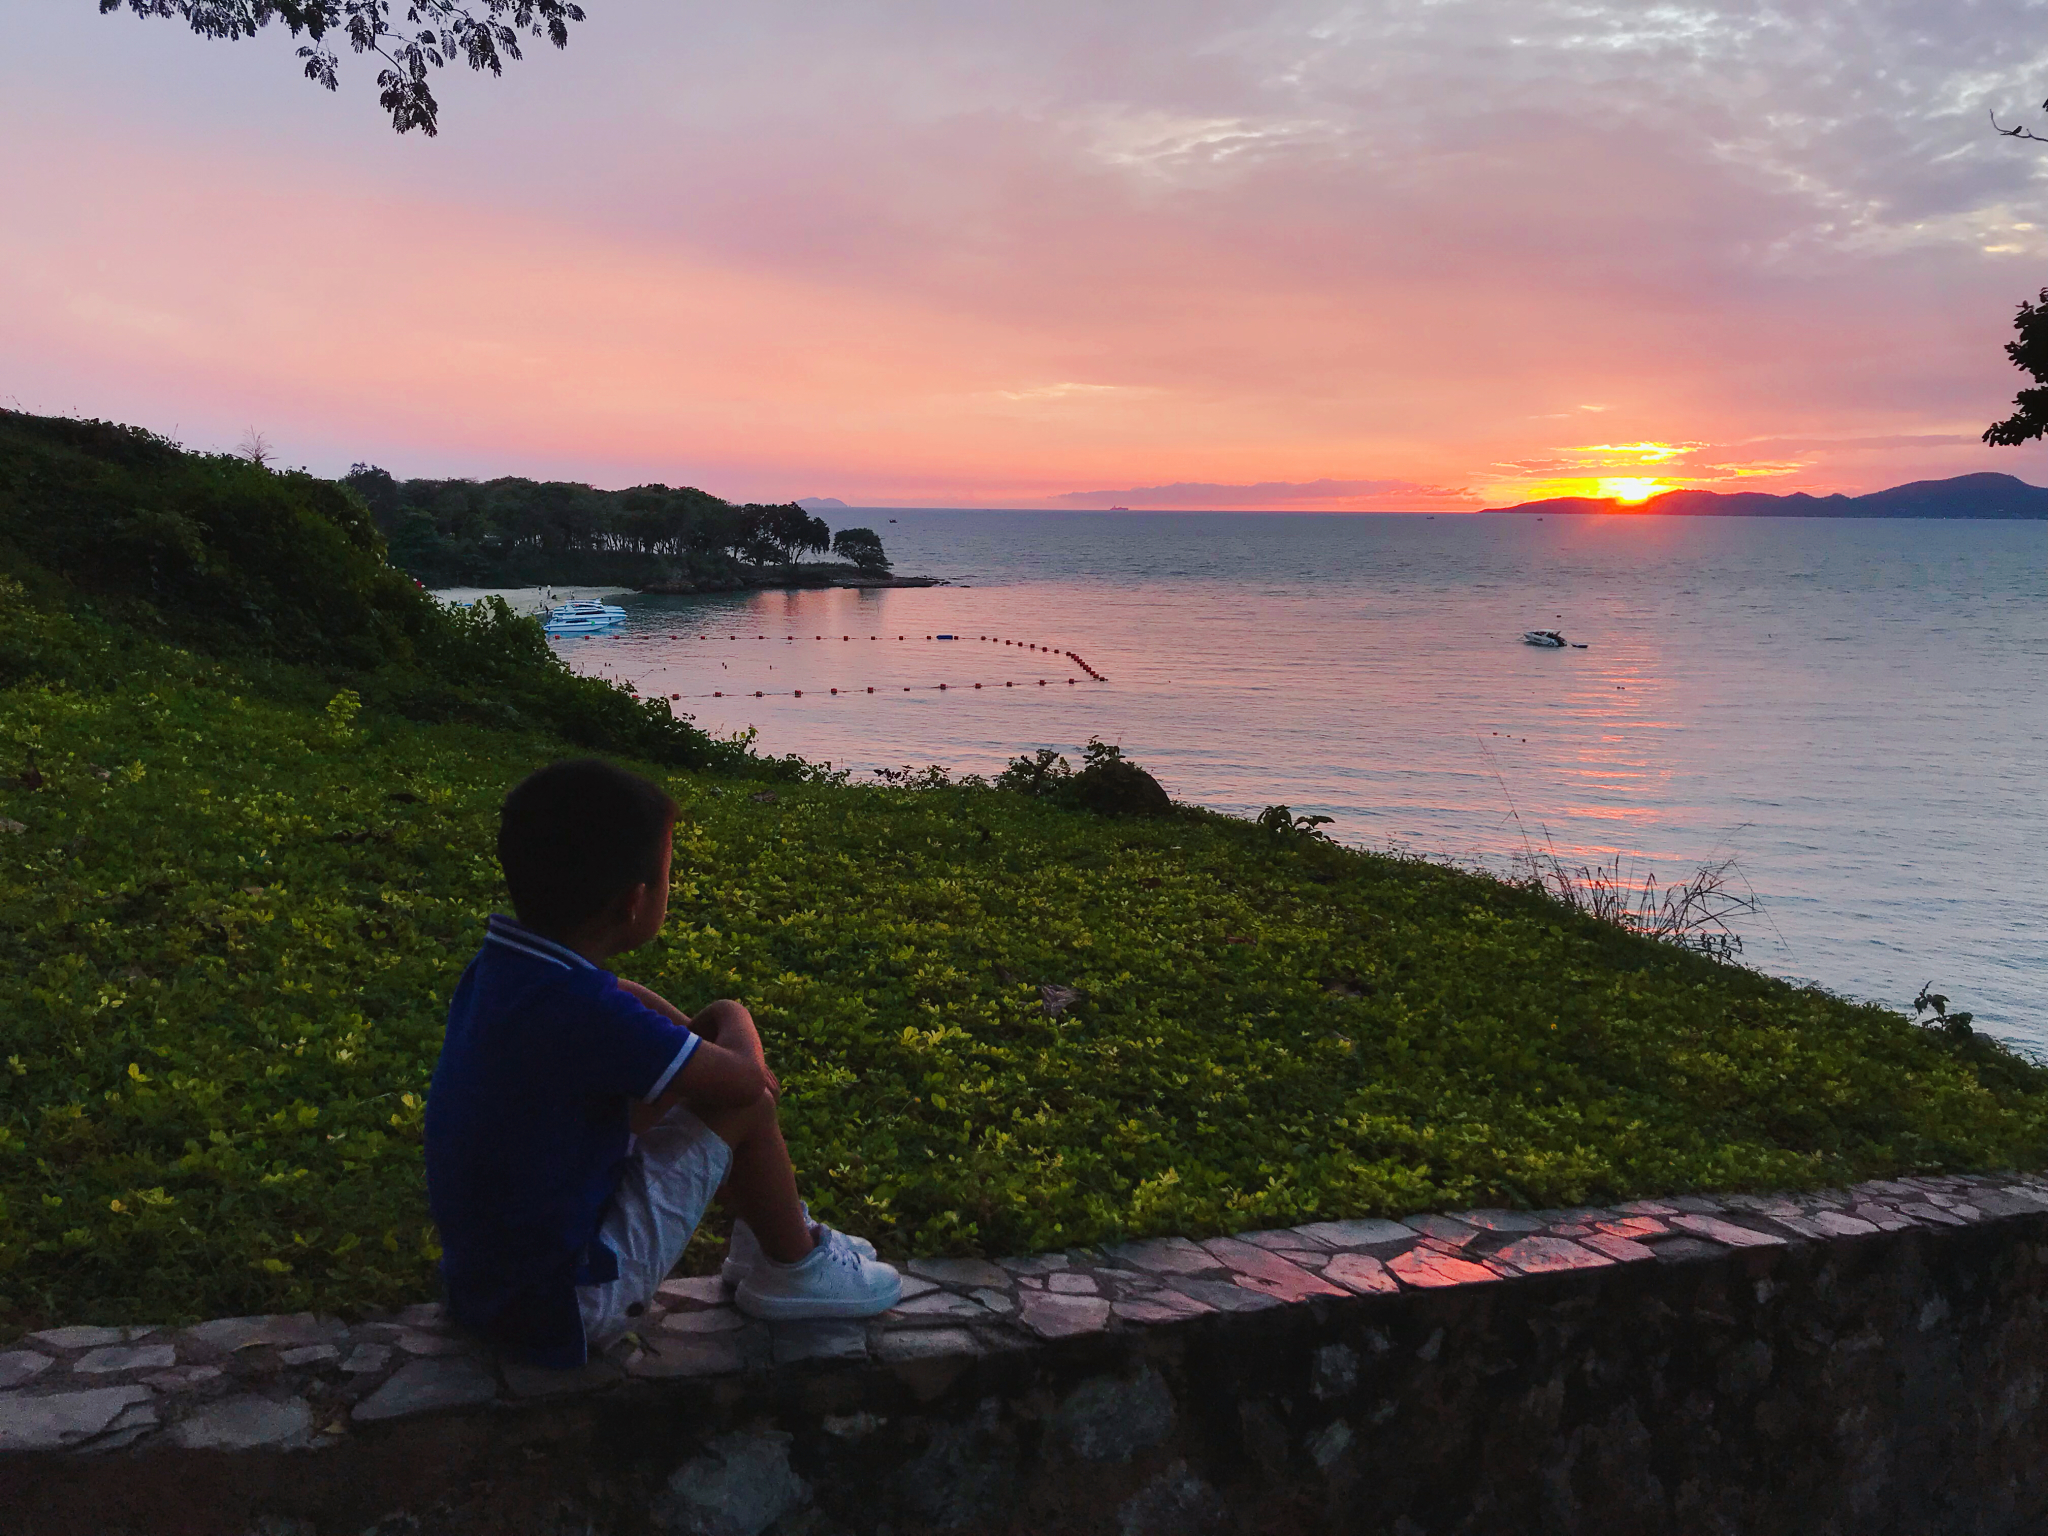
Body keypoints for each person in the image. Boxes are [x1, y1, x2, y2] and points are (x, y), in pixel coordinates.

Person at [425, 757, 901, 1368]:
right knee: (745, 1105)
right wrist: (732, 1013)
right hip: (568, 1300)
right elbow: (746, 1082)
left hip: (489, 1285)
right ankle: (794, 1265)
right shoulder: (587, 1015)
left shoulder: (508, 972)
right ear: (633, 902)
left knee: (690, 1086)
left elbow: (620, 1000)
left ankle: (768, 1244)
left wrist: (695, 1043)